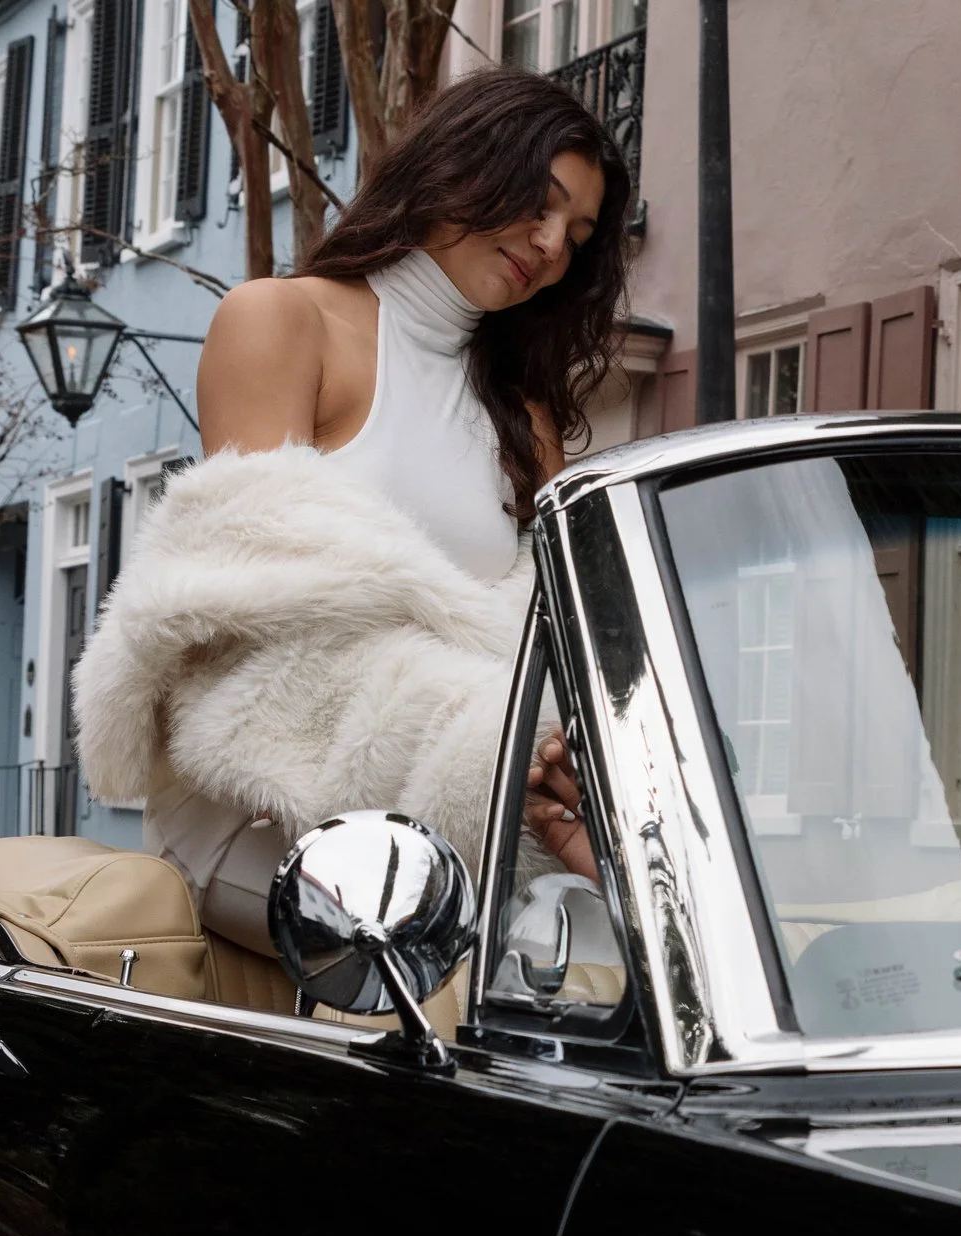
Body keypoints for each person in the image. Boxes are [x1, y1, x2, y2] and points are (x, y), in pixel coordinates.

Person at [76, 70, 606, 957]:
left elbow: (541, 642)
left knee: (608, 955)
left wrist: (540, 762)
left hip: (466, 806)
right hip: (260, 795)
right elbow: (258, 616)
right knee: (507, 958)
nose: (551, 245)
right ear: (461, 165)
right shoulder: (282, 323)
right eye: (539, 203)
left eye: (577, 236)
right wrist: (481, 736)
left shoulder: (526, 420)